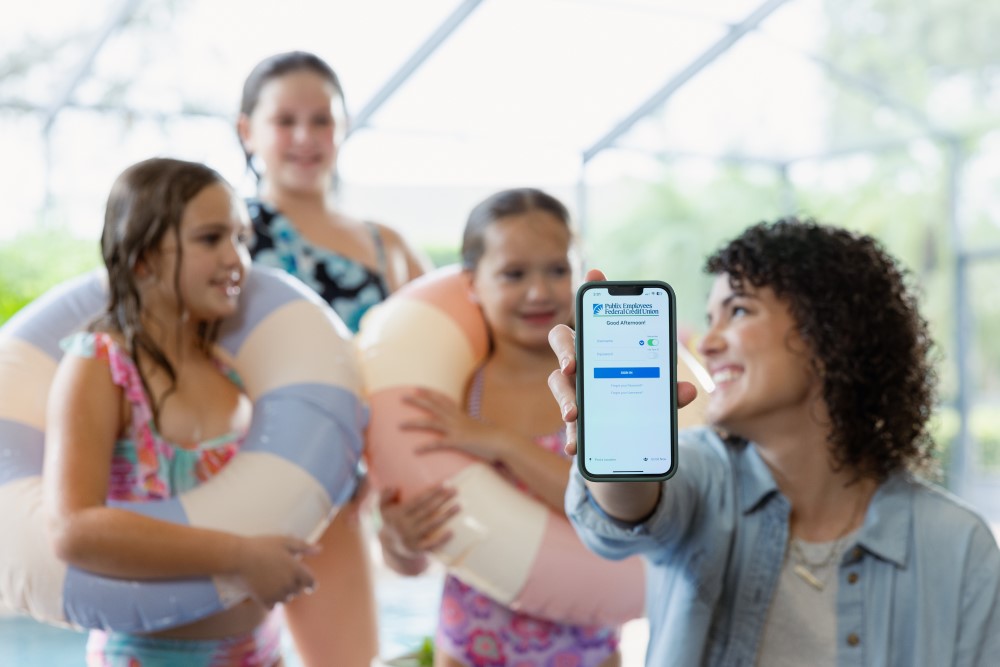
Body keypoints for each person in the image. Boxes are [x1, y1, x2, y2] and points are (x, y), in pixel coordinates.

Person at [547, 219, 1000, 666]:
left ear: (831, 331)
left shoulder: (957, 545)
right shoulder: (705, 474)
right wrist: (608, 434)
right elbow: (625, 515)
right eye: (709, 318)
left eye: (738, 310)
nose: (706, 344)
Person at [43, 157, 317, 666]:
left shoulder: (228, 371)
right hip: (151, 654)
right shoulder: (103, 366)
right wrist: (239, 557)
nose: (236, 258)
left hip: (259, 648)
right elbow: (72, 529)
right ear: (144, 258)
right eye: (212, 239)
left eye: (241, 238)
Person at [236, 50, 431, 666]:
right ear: (248, 131)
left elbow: (432, 361)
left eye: (321, 120)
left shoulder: (386, 245)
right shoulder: (225, 235)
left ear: (343, 129)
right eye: (285, 119)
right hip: (232, 477)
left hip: (341, 494)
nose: (304, 137)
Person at [377, 188, 623, 667]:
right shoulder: (458, 390)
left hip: (587, 643)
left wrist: (501, 443)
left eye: (557, 270)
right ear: (472, 282)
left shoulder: (597, 384)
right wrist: (399, 543)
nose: (539, 291)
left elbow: (605, 506)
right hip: (472, 645)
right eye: (514, 274)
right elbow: (416, 562)